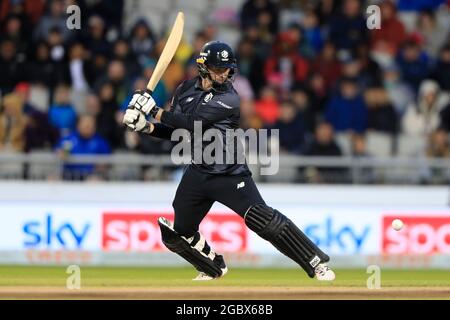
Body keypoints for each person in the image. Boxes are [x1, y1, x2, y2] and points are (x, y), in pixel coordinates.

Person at [122, 41, 335, 281]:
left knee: (261, 219)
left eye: (226, 69)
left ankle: (315, 262)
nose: (224, 73)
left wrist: (154, 110)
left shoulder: (230, 98)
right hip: (197, 172)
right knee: (179, 233)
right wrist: (146, 126)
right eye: (218, 68)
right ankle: (213, 265)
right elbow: (177, 130)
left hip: (229, 173)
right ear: (203, 67)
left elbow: (194, 123)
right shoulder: (184, 90)